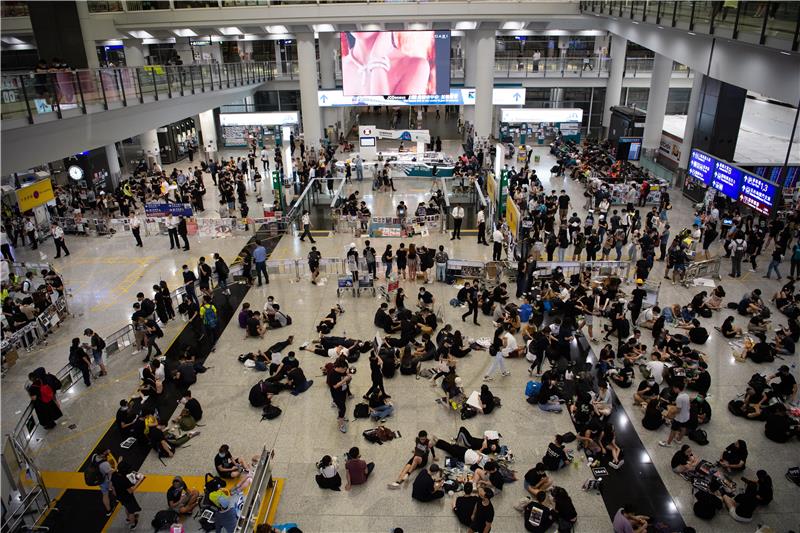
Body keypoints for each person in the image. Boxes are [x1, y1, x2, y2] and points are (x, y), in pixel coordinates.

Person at [659, 381, 690, 447]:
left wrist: (670, 411)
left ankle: (668, 443)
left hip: (679, 418)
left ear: (677, 388)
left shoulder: (679, 398)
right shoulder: (686, 395)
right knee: (683, 428)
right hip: (686, 416)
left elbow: (678, 410)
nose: (673, 389)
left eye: (674, 388)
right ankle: (678, 440)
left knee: (673, 430)